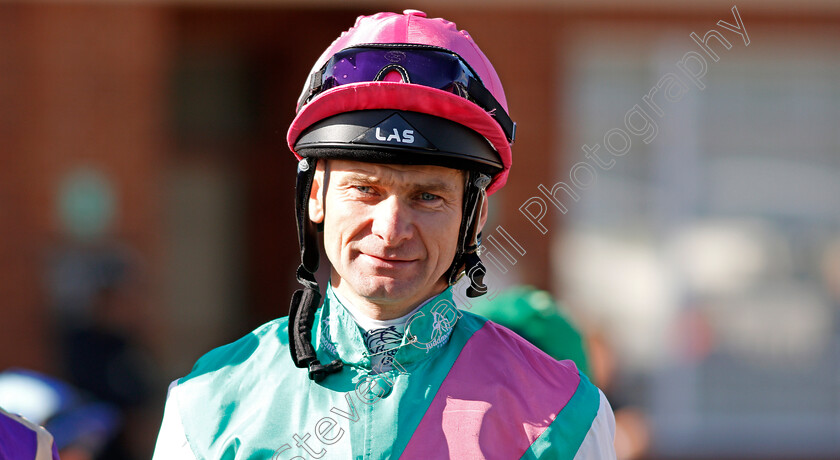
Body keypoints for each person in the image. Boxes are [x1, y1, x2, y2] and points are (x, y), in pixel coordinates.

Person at [153, 10, 615, 459]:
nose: (391, 229)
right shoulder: (208, 402)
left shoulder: (565, 413)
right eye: (365, 188)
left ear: (473, 217)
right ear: (317, 195)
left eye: (428, 197)